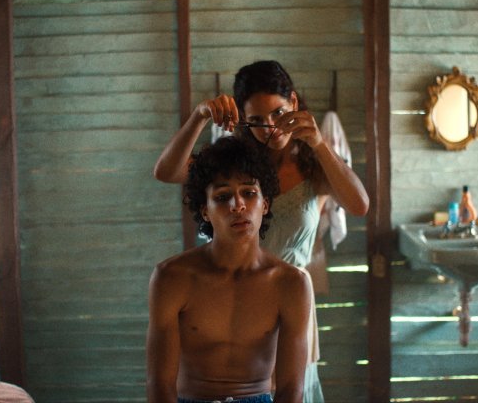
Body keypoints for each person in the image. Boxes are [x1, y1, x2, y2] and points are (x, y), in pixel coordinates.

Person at [153, 60, 369, 402]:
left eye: (278, 113)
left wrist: (318, 143)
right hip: (233, 297)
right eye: (256, 120)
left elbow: (359, 205)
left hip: (289, 296)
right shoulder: (238, 167)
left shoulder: (314, 165)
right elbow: (167, 171)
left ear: (294, 103)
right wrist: (199, 116)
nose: (270, 127)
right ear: (243, 119)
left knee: (290, 391)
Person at [147, 137, 312, 403]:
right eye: (223, 197)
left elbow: (291, 389)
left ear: (266, 204)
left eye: (249, 193)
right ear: (205, 211)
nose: (238, 205)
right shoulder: (171, 277)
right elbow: (159, 385)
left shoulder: (291, 283)